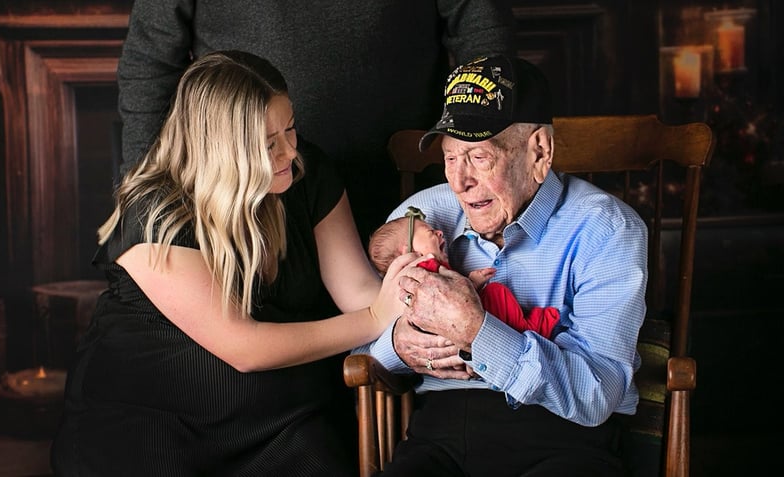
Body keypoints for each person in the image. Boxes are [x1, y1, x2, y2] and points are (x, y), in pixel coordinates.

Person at [51, 50, 413, 477]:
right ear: (219, 148)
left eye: (290, 128)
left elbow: (359, 291)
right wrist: (374, 318)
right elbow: (244, 348)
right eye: (267, 144)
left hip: (280, 419)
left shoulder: (307, 173)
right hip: (152, 419)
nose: (288, 151)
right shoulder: (157, 213)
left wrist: (416, 303)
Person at [355, 54, 648, 476]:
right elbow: (362, 353)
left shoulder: (606, 229)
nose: (459, 181)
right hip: (440, 437)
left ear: (539, 152)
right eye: (450, 158)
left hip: (563, 439)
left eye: (478, 157)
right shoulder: (416, 221)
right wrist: (398, 344)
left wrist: (477, 331)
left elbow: (597, 393)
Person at [116, 0, 517, 244]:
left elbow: (483, 35)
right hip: (243, 202)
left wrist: (479, 155)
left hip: (401, 184)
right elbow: (150, 63)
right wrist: (144, 200)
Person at [368, 209, 559, 339]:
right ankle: (530, 328)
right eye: (430, 232)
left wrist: (472, 281)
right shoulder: (426, 268)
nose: (440, 232)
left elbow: (453, 291)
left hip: (462, 320)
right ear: (407, 251)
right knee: (496, 294)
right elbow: (449, 295)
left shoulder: (426, 272)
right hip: (463, 322)